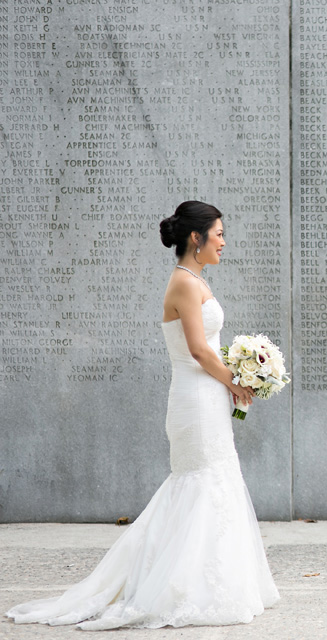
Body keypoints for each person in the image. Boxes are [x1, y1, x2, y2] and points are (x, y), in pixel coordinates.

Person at [6, 201, 279, 629]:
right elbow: (197, 349)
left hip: (207, 395)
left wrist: (240, 375)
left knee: (214, 480)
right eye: (219, 234)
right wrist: (235, 380)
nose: (224, 242)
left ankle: (214, 580)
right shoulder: (185, 284)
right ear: (196, 238)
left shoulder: (193, 280)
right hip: (194, 397)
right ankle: (179, 585)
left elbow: (210, 347)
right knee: (200, 483)